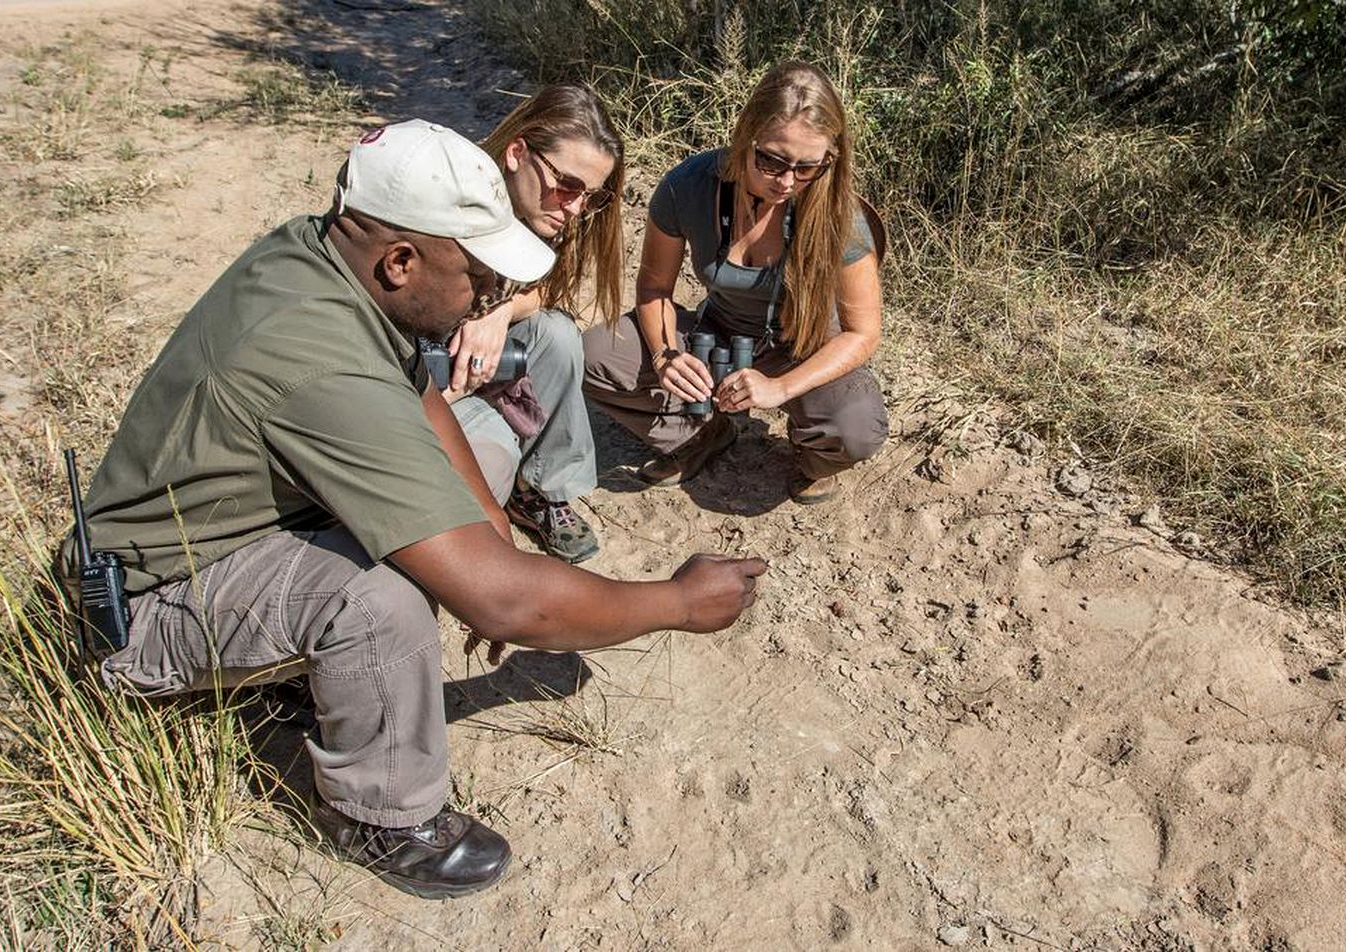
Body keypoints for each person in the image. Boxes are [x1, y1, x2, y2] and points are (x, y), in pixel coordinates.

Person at [58, 120, 766, 900]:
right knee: (378, 594)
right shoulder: (316, 356)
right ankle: (386, 817)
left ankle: (306, 672)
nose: (494, 293)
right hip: (143, 612)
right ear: (400, 260)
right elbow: (508, 606)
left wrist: (497, 538)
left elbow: (420, 396)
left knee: (460, 497)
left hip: (237, 538)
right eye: (480, 273)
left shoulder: (322, 255)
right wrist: (679, 602)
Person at [582, 61, 888, 505]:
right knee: (594, 355)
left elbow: (864, 332)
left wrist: (780, 388)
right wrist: (667, 355)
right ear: (745, 135)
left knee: (856, 427)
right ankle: (697, 435)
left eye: (807, 168)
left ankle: (813, 460)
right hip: (717, 334)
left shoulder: (842, 216)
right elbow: (654, 287)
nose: (786, 182)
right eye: (771, 160)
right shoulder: (688, 186)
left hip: (802, 344)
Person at [444, 84, 624, 563]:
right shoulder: (451, 213)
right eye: (566, 186)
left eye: (591, 195)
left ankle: (542, 489)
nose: (575, 207)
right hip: (429, 384)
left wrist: (500, 311)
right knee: (486, 459)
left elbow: (547, 287)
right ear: (517, 153)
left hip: (472, 364)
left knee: (557, 333)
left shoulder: (551, 213)